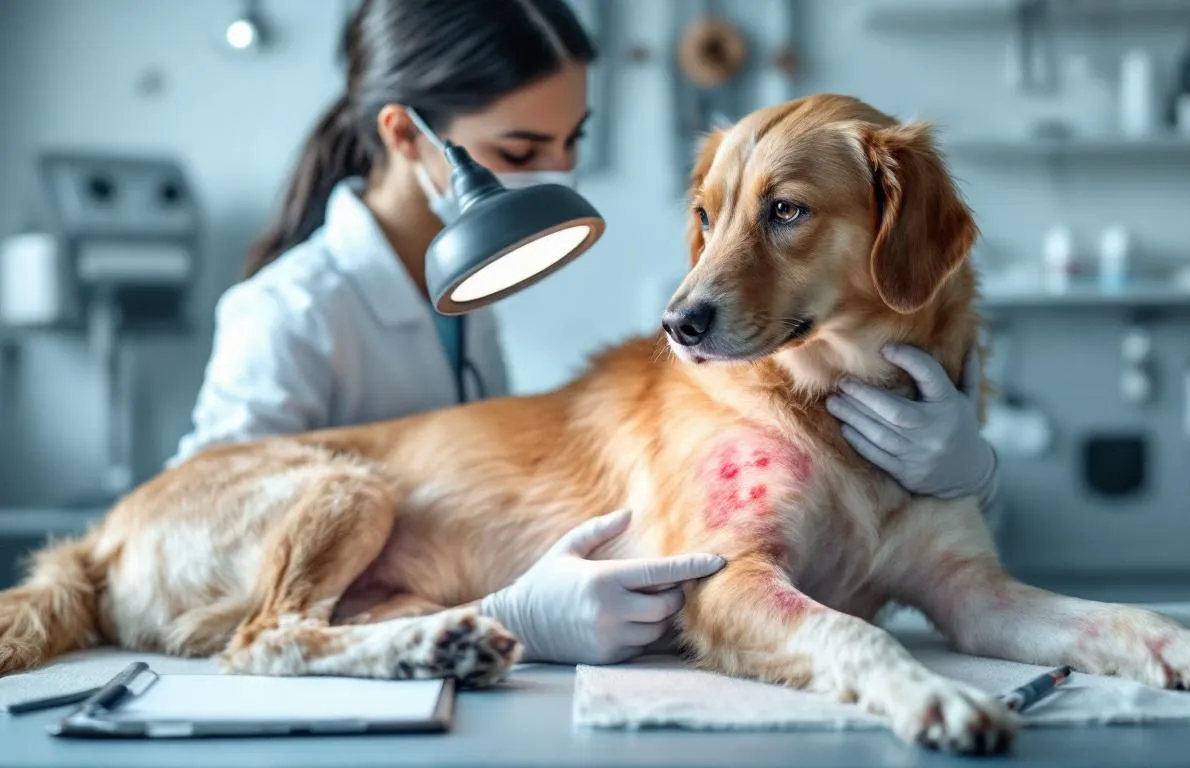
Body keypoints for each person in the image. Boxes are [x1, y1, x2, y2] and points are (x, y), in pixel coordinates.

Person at [172, 0, 998, 666]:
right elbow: (208, 530)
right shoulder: (287, 309)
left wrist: (967, 475)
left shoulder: (468, 293)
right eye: (519, 148)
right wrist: (509, 615)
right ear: (404, 137)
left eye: (572, 141)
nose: (557, 172)